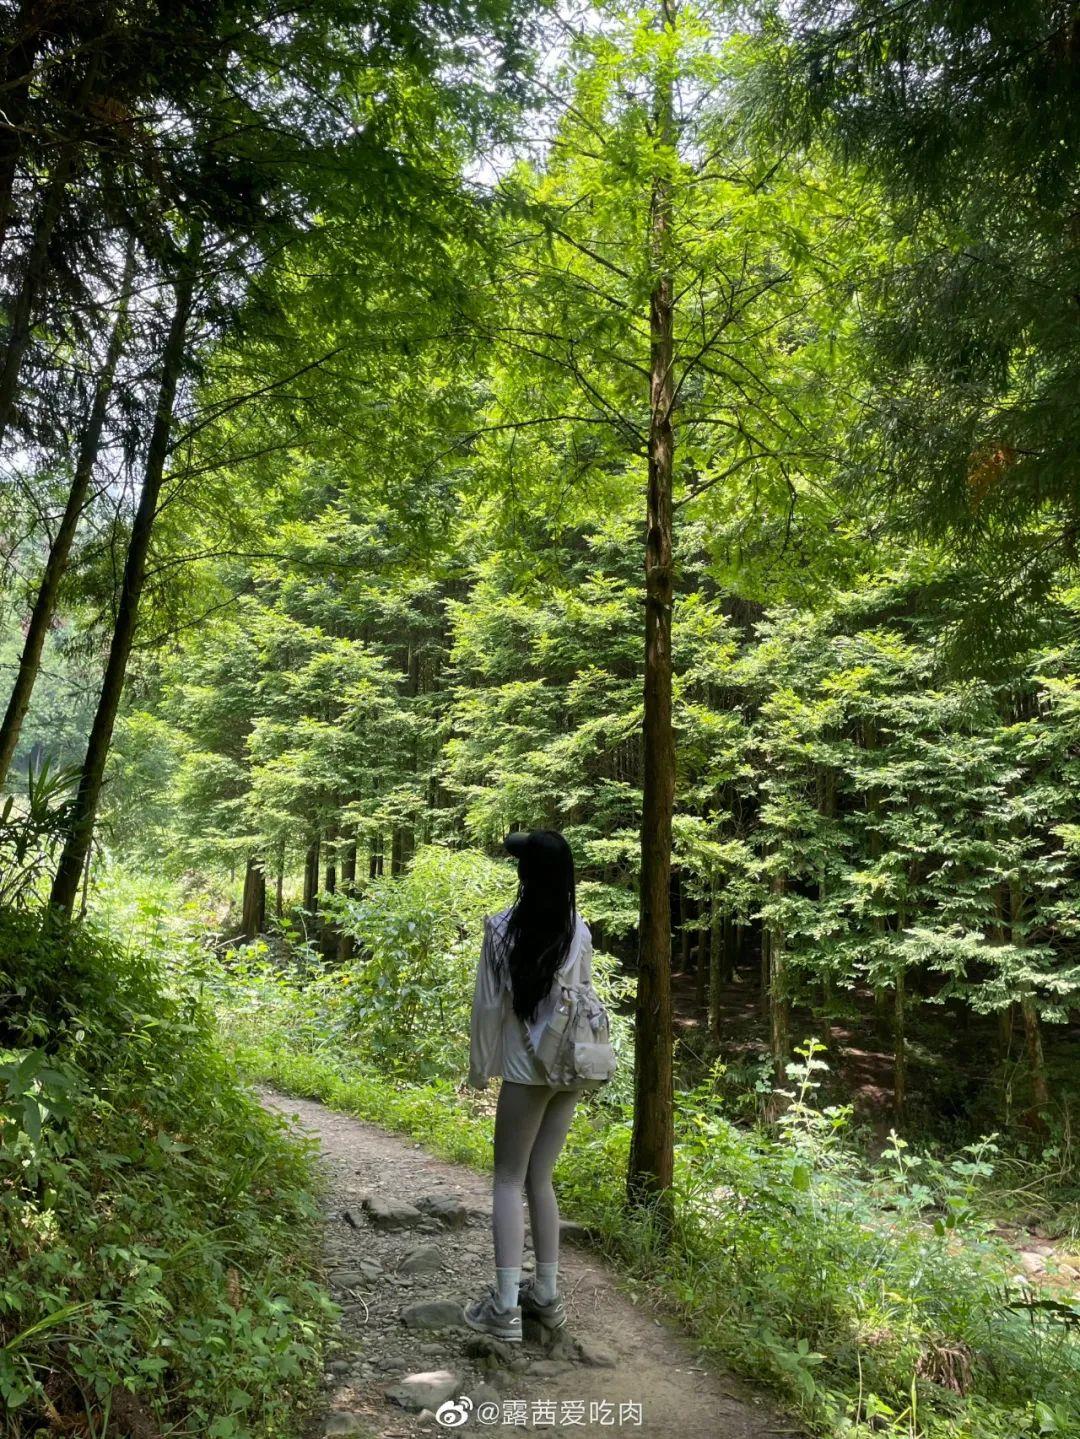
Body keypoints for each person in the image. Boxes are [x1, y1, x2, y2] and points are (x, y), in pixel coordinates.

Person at [462, 829, 593, 1344]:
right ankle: (547, 1296)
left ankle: (504, 1308)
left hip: (526, 1072)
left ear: (526, 874)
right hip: (572, 1070)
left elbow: (488, 1007)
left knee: (507, 1179)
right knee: (541, 1178)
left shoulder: (500, 930)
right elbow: (584, 998)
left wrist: (480, 1069)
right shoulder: (578, 929)